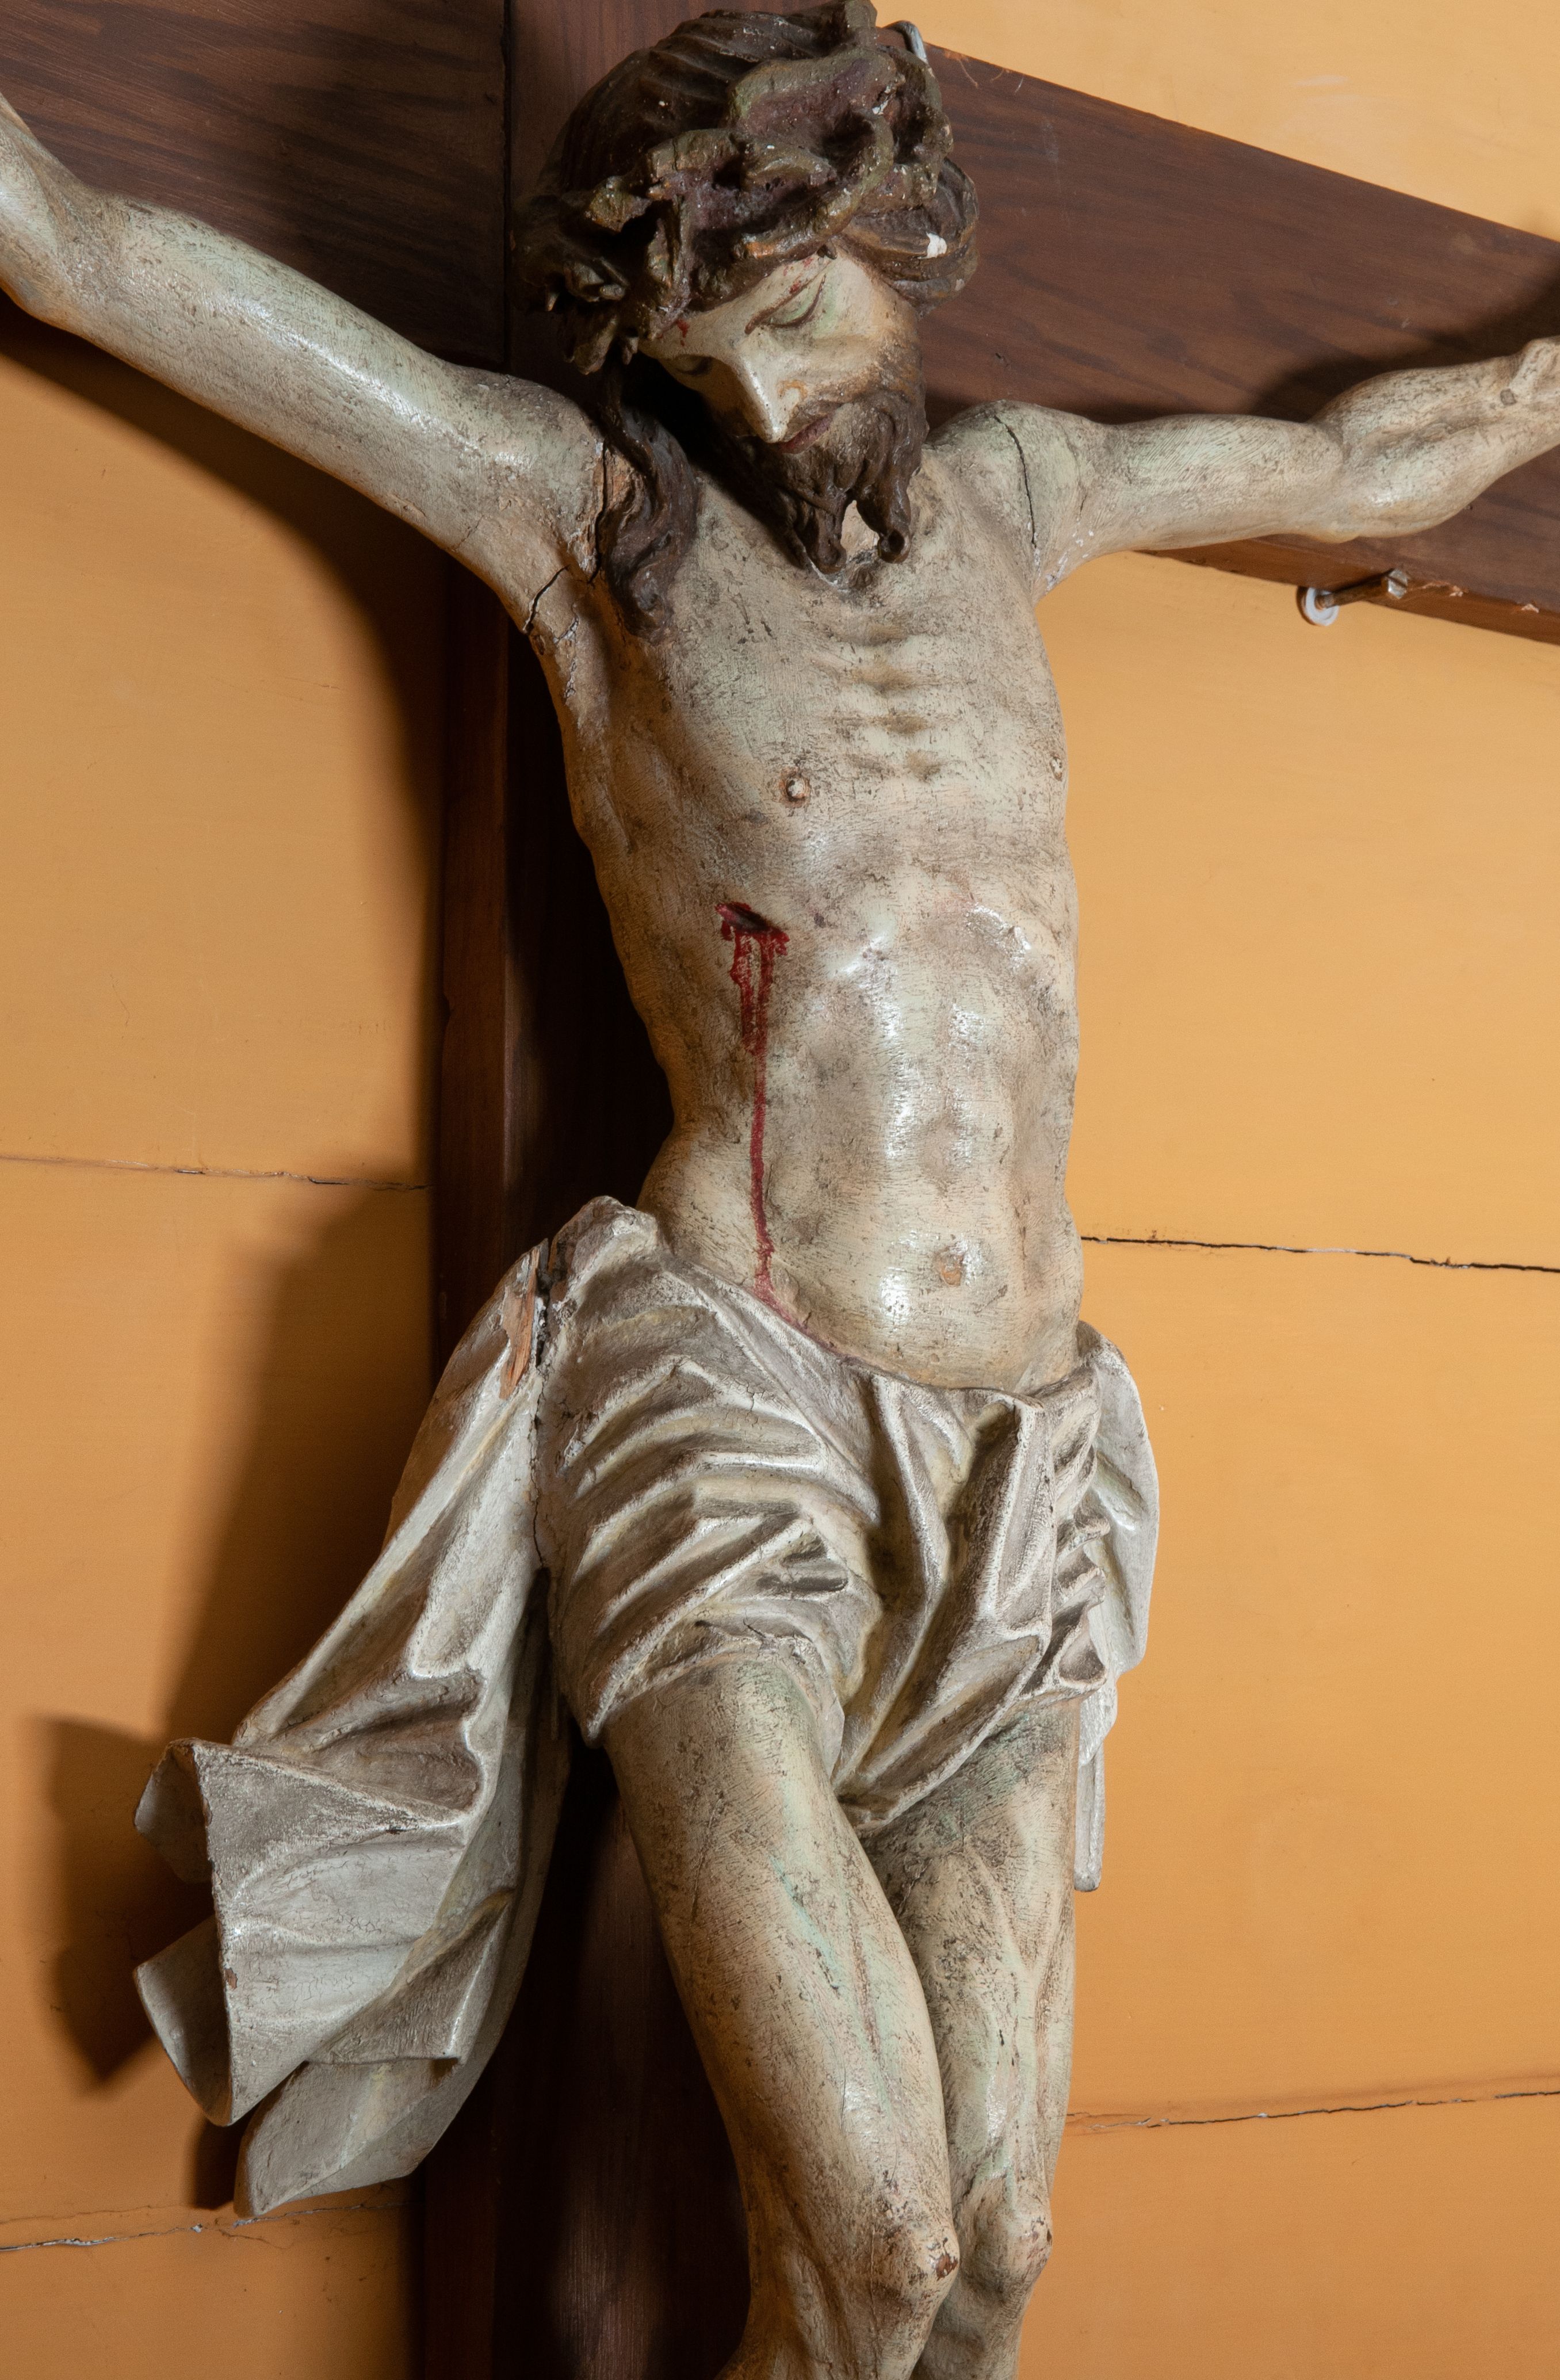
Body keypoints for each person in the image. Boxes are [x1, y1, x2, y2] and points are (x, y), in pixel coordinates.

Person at [5, 9, 1557, 2374]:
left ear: (887, 242)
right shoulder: (580, 514)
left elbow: (1366, 454)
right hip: (736, 1397)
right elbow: (90, 253)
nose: (751, 367)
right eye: (694, 323)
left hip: (1025, 1440)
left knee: (999, 2255)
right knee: (880, 2243)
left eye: (793, 289)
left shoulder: (1022, 491)